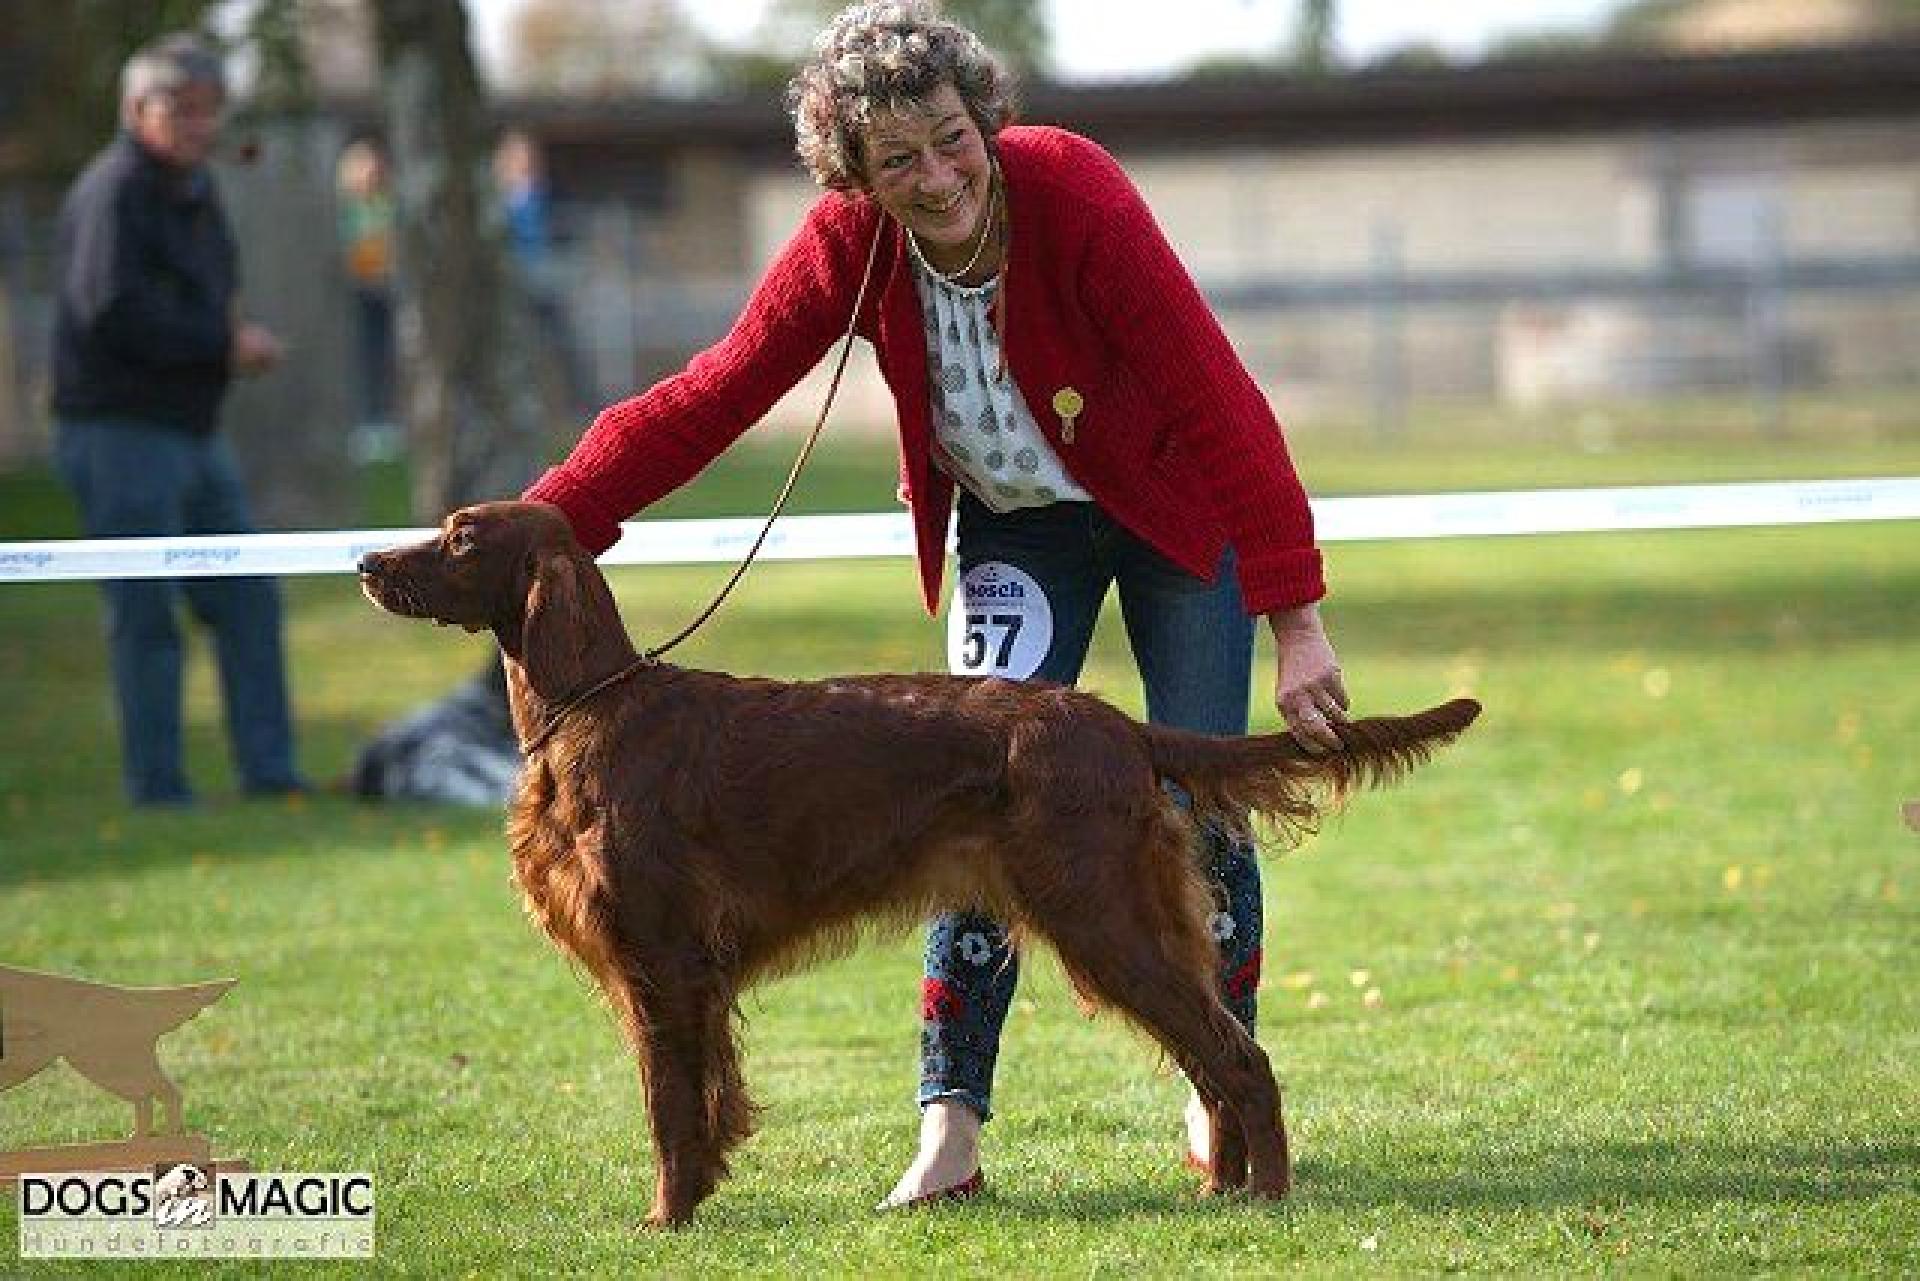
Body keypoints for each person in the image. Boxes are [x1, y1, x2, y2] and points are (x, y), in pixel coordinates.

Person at [520, 0, 1348, 1206]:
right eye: (895, 159)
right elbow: (711, 393)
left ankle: (1213, 1089)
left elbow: (1218, 398)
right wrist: (539, 523)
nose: (936, 175)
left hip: (1177, 517)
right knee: (957, 793)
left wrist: (1297, 616)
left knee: (1196, 799)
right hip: (1018, 527)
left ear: (984, 121)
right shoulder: (845, 246)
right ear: (854, 175)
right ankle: (950, 1131)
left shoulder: (1073, 192)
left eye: (950, 139)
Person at [52, 32, 304, 808]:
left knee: (248, 598)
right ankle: (157, 788)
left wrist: (227, 339)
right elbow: (111, 312)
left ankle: (271, 776)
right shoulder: (115, 191)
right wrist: (226, 344)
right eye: (183, 109)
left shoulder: (194, 191)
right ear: (137, 109)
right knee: (146, 615)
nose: (201, 125)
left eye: (211, 110)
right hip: (120, 433)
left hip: (193, 433)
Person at [335, 138, 396, 448]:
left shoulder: (385, 205)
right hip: (356, 293)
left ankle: (383, 422)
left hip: (382, 290)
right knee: (362, 359)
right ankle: (366, 423)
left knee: (384, 357)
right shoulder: (345, 209)